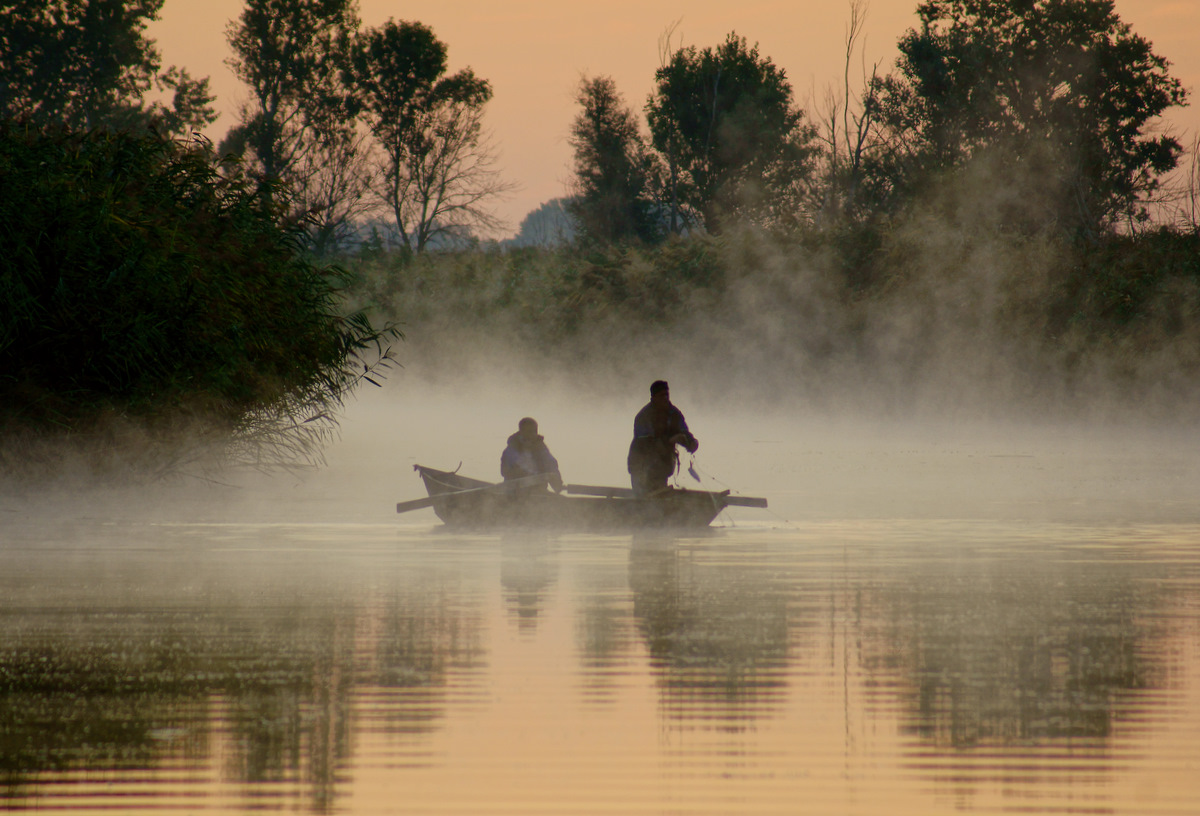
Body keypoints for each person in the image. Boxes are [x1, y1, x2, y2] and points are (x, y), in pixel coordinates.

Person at [627, 380, 698, 495]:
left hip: (661, 468)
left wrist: (691, 442)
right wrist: (670, 441)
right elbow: (645, 443)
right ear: (653, 397)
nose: (665, 398)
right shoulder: (643, 416)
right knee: (644, 500)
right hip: (640, 467)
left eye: (667, 395)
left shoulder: (674, 413)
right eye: (661, 396)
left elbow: (683, 431)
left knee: (659, 498)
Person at [500, 417, 564, 492]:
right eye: (528, 432)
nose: (532, 435)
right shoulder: (512, 449)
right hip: (514, 491)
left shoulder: (541, 449)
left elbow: (551, 466)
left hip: (538, 492)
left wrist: (557, 484)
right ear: (521, 432)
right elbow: (505, 471)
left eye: (534, 432)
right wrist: (519, 473)